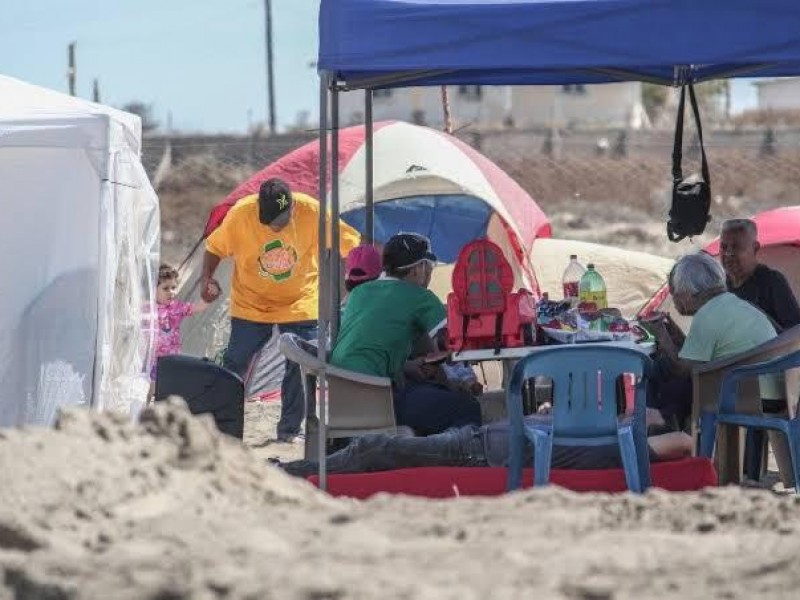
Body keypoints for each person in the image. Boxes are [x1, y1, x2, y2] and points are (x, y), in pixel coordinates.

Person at [201, 178, 360, 443]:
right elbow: (214, 247)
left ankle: (288, 431)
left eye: (281, 220)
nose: (275, 227)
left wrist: (359, 281)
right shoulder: (242, 213)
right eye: (270, 222)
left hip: (300, 302)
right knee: (234, 363)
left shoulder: (313, 213)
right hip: (251, 303)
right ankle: (222, 430)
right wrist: (207, 279)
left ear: (293, 207)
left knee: (300, 366)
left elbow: (352, 243)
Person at [647, 253, 793, 484]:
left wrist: (661, 337)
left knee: (665, 374)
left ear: (686, 292)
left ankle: (659, 432)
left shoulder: (707, 316)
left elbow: (685, 369)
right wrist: (674, 333)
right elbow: (703, 355)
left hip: (748, 395)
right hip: (774, 389)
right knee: (676, 380)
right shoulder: (731, 304)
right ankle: (665, 429)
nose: (675, 301)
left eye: (674, 293)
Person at [331, 232, 482, 435]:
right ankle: (452, 458)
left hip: (340, 401)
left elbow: (367, 346)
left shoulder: (360, 293)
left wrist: (408, 366)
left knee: (430, 393)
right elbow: (451, 341)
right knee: (466, 407)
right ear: (417, 268)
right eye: (429, 268)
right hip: (380, 401)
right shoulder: (420, 297)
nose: (429, 274)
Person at [279, 407, 692, 478]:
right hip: (478, 440)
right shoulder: (599, 426)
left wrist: (643, 428)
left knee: (375, 448)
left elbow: (685, 443)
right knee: (378, 446)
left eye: (644, 418)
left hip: (479, 454)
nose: (640, 412)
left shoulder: (621, 448)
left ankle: (289, 475)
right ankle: (290, 471)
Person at [719, 218, 800, 331]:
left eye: (736, 247)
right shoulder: (719, 285)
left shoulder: (772, 281)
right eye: (723, 247)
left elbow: (794, 332)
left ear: (755, 248)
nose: (728, 253)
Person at [150, 264, 213, 389]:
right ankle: (147, 407)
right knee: (150, 387)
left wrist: (208, 297)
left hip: (171, 358)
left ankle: (164, 406)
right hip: (152, 359)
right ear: (153, 289)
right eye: (165, 288)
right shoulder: (149, 308)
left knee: (167, 387)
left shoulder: (176, 307)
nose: (171, 292)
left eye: (173, 288)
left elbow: (197, 307)